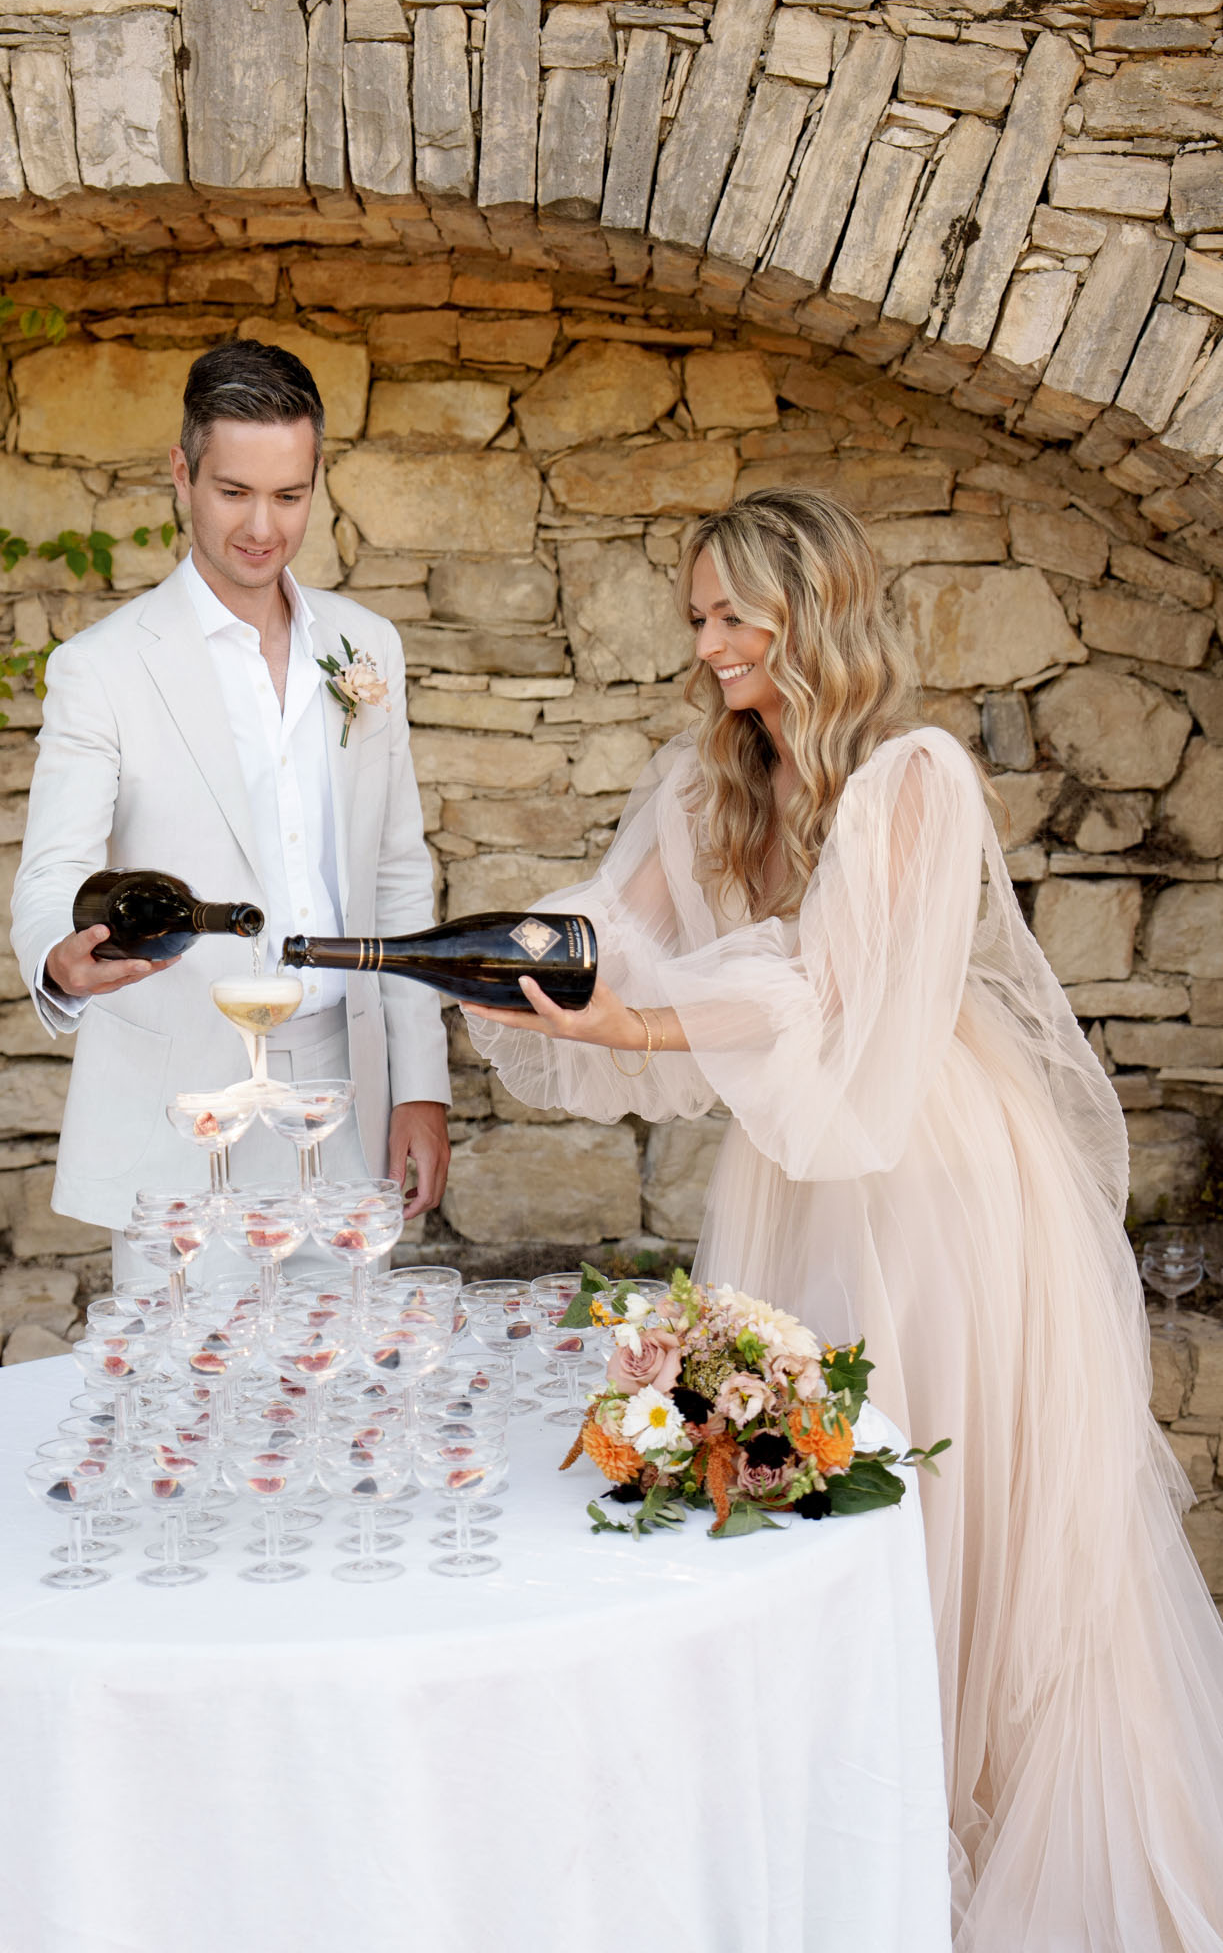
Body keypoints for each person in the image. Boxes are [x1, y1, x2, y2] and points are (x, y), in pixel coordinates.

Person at [467, 488, 1223, 1950]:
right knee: (794, 1488)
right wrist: (507, 953)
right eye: (695, 620)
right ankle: (846, 1841)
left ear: (812, 614)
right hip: (798, 1174)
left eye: (732, 618)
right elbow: (609, 920)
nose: (707, 648)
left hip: (931, 1179)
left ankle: (963, 1842)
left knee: (933, 1492)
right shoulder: (715, 784)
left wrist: (632, 1026)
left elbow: (827, 1002)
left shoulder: (915, 776)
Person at [11, 340, 452, 1251]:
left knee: (342, 1385)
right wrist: (59, 960)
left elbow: (399, 876)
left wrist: (419, 1086)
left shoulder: (367, 647)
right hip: (183, 1105)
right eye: (233, 492)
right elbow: (55, 864)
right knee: (189, 1386)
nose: (262, 526)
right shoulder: (101, 667)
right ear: (181, 472)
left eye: (288, 496)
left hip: (343, 1087)